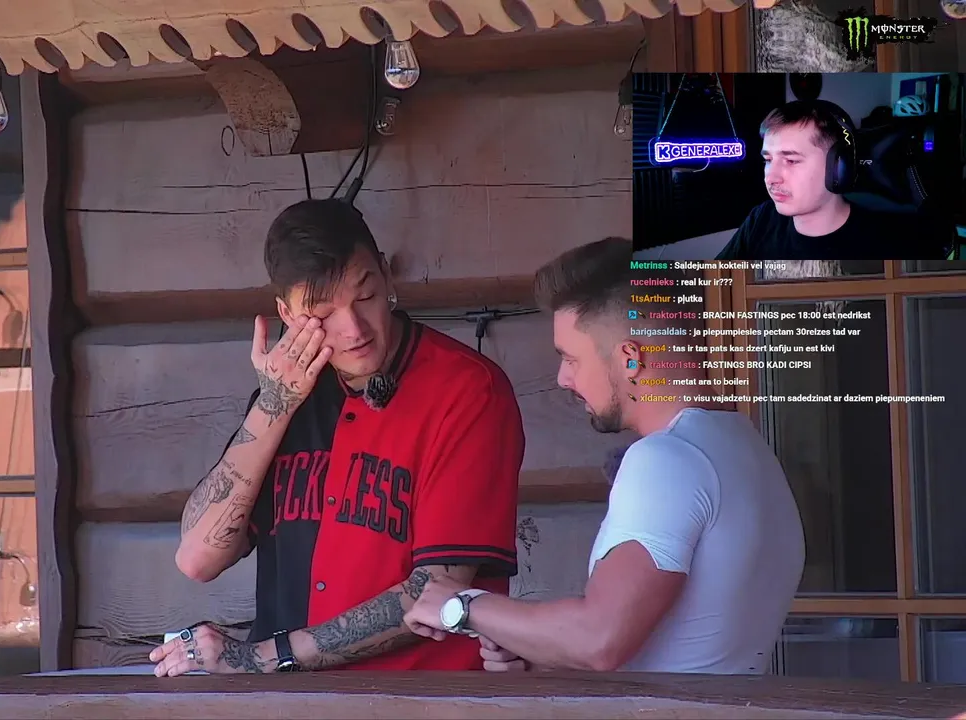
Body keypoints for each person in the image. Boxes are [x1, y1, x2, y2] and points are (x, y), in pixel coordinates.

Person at [150, 198, 525, 676]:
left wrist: (265, 656)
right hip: (291, 703)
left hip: (420, 700)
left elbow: (436, 591)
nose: (353, 329)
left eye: (364, 296)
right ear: (286, 314)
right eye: (322, 313)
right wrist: (273, 406)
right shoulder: (285, 397)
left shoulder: (467, 390)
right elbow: (197, 558)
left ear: (387, 276)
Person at [404, 237, 806, 675]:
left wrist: (462, 606)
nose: (563, 378)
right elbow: (681, 644)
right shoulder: (744, 445)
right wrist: (533, 645)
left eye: (571, 359)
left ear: (630, 359)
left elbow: (600, 639)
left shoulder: (666, 461)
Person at [716, 100, 948, 260]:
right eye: (768, 160)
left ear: (839, 166)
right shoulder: (761, 218)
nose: (771, 177)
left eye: (791, 160)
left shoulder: (892, 245)